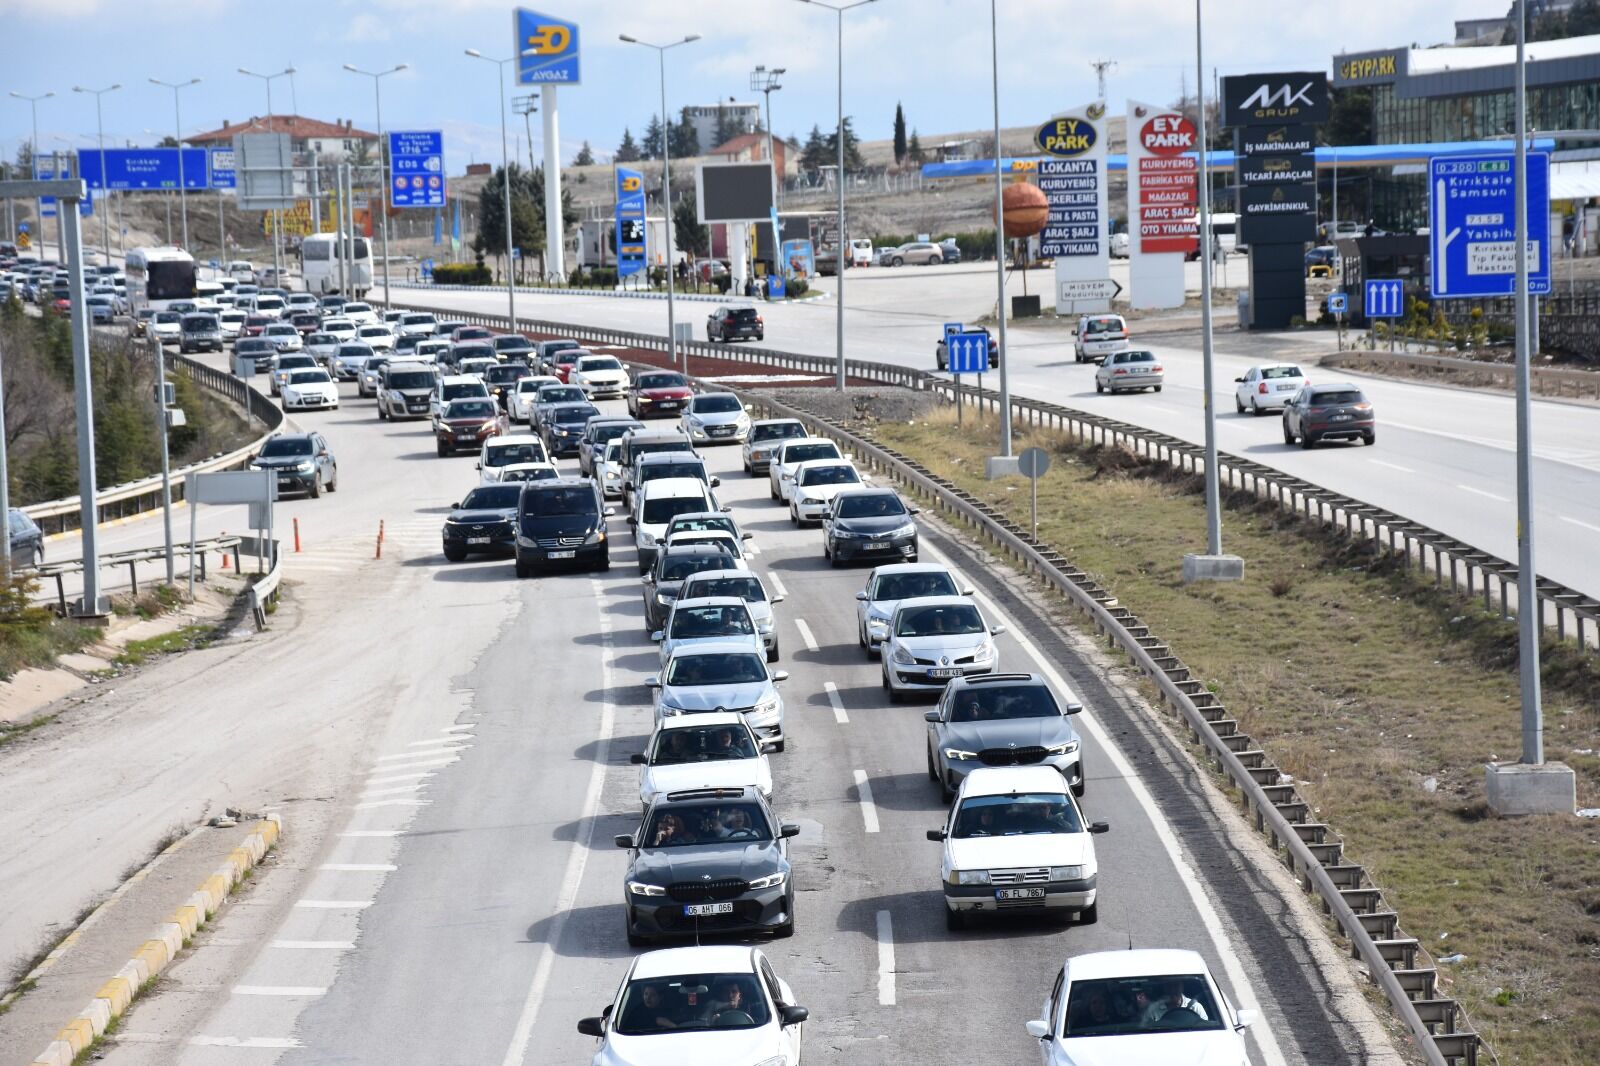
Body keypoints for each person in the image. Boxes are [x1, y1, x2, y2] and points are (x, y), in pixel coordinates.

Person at [1141, 977, 1209, 1026]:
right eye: (1169, 986)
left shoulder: (1196, 1007)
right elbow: (1145, 1029)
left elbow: (1207, 1030)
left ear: (1182, 986)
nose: (1172, 990)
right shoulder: (1153, 1009)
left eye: (1176, 985)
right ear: (1164, 988)